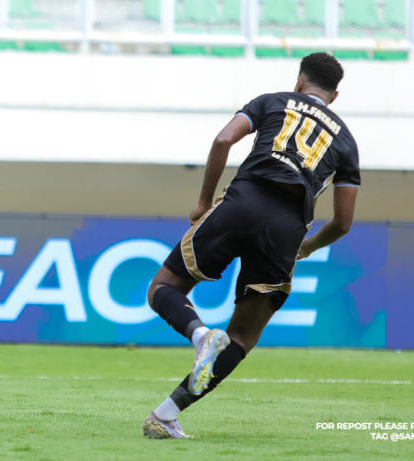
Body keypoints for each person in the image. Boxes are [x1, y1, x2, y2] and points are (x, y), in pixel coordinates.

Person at [142, 53, 360, 438]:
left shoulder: (273, 100)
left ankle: (199, 335)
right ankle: (164, 415)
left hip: (242, 201)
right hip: (288, 227)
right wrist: (304, 249)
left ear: (299, 81)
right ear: (335, 95)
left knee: (163, 288)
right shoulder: (346, 142)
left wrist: (204, 202)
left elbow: (224, 138)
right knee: (242, 337)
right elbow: (342, 223)